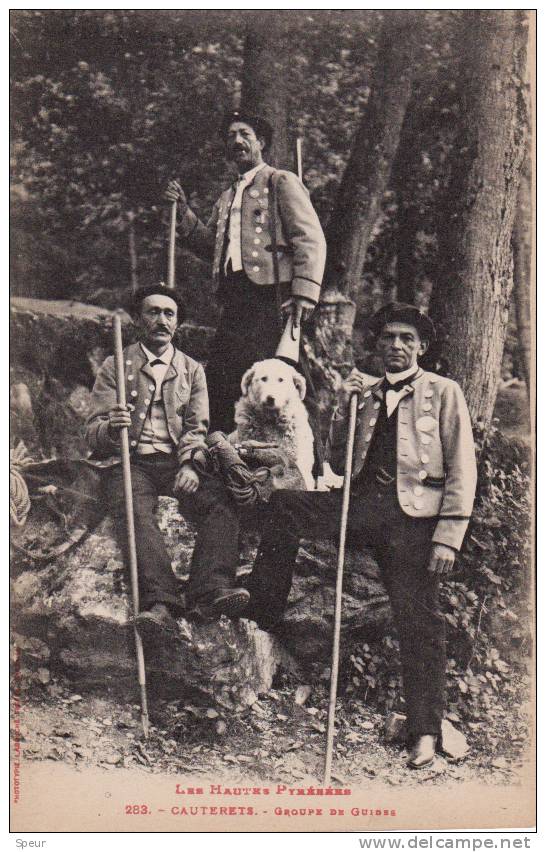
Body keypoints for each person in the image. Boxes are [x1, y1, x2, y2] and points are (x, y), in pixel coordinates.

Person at [244, 302, 477, 769]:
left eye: (406, 339)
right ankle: (261, 611)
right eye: (388, 337)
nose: (396, 345)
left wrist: (448, 536)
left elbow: (462, 467)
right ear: (377, 344)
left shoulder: (443, 391)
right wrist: (343, 405)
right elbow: (336, 457)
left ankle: (425, 730)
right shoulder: (365, 393)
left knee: (419, 617)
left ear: (421, 347)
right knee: (286, 504)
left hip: (412, 518)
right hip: (359, 506)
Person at [85, 284, 249, 633]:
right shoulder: (117, 364)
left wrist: (190, 463)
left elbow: (197, 426)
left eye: (169, 313)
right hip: (131, 462)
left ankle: (211, 590)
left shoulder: (192, 370)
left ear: (178, 323)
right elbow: (91, 430)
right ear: (137, 318)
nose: (161, 320)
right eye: (153, 312)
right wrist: (113, 429)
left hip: (176, 461)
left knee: (222, 500)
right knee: (133, 509)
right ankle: (160, 603)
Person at [165, 109, 327, 434]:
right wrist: (183, 214)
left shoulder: (280, 181)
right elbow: (210, 245)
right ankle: (221, 451)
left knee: (284, 375)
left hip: (273, 296)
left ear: (261, 143)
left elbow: (309, 237)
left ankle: (313, 462)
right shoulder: (226, 197)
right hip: (235, 297)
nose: (237, 141)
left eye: (244, 134)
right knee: (225, 375)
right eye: (231, 137)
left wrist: (304, 293)